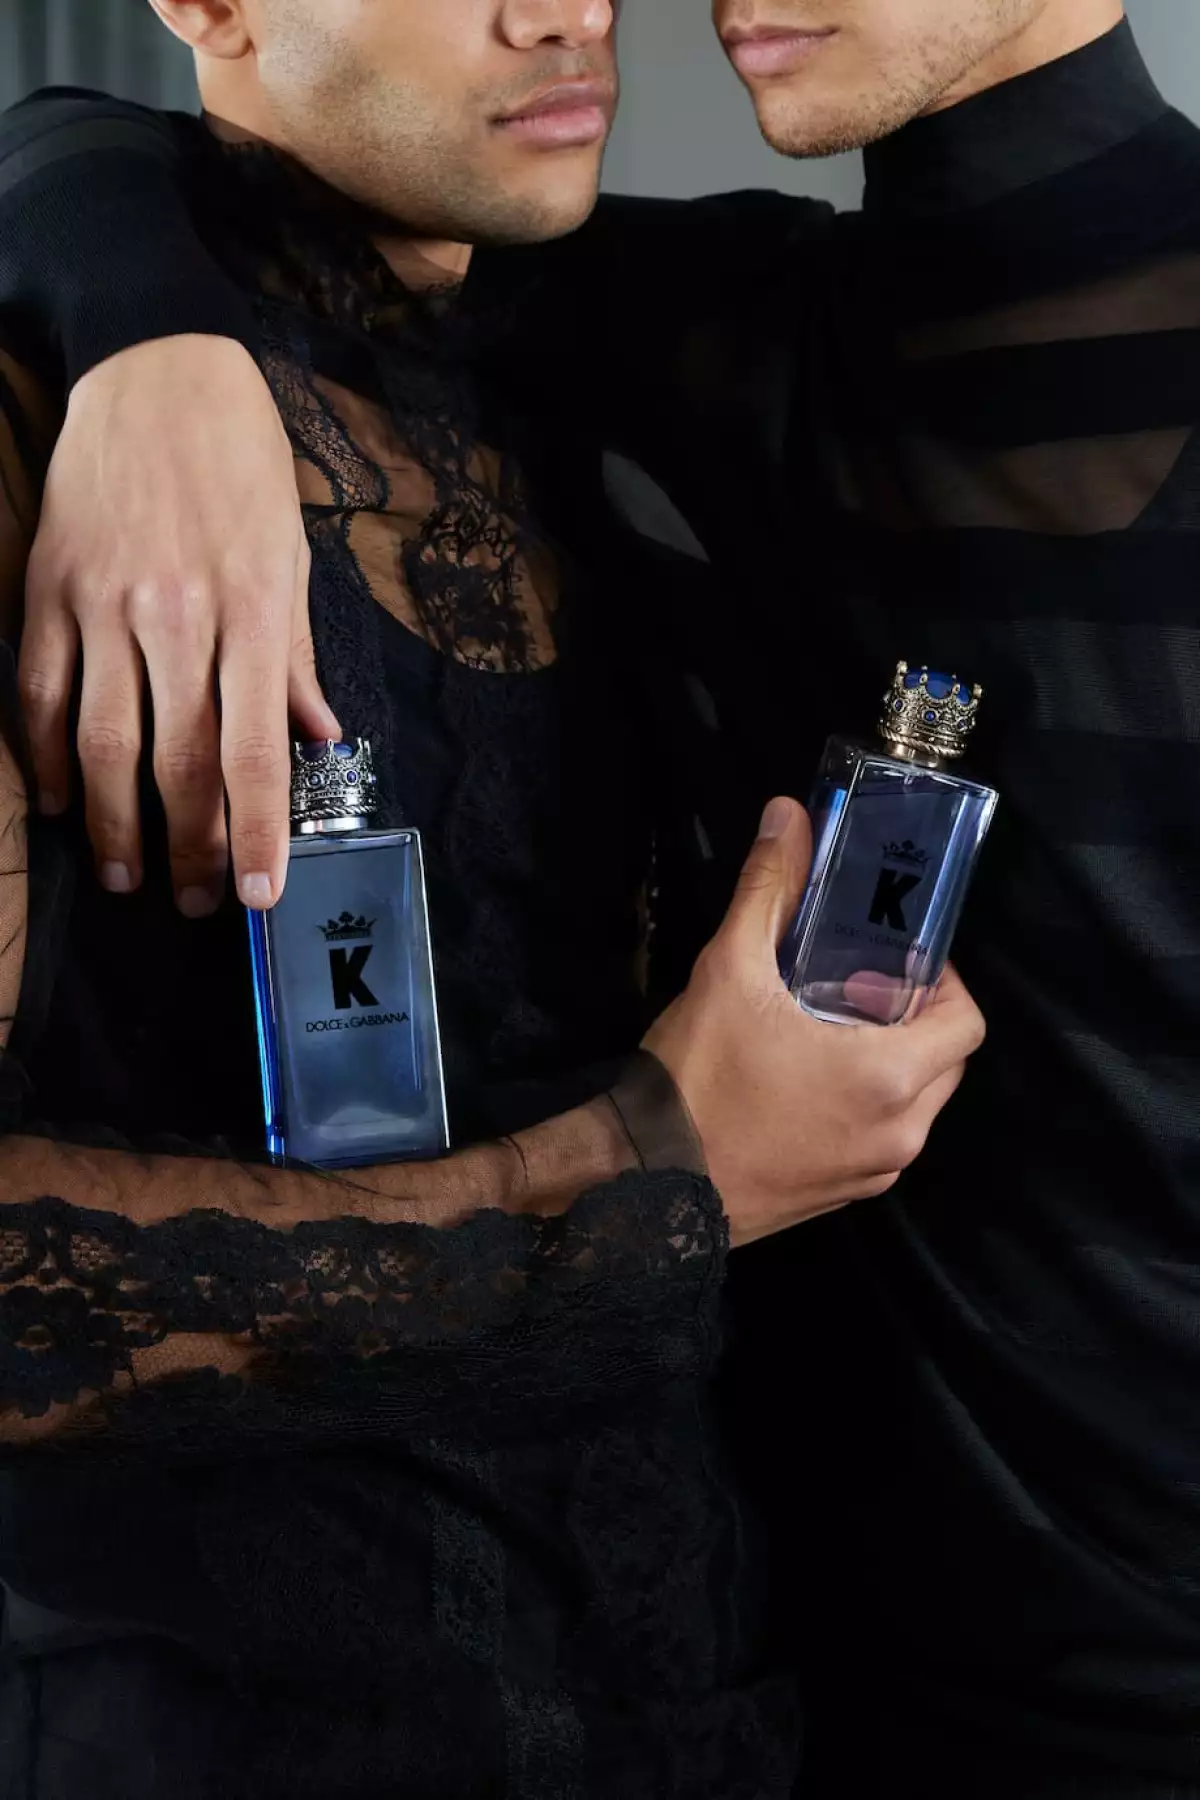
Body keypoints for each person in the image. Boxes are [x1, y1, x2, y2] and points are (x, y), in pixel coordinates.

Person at [4, 1, 1195, 1795]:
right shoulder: (679, 326)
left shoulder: (638, 328)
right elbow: (166, 161)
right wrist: (153, 344)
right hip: (770, 1686)